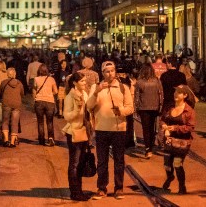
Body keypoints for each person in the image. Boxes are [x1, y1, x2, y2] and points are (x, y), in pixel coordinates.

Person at [86, 60, 134, 200]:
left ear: (115, 72)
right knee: (102, 161)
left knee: (119, 160)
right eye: (107, 71)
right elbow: (89, 106)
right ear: (102, 73)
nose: (110, 73)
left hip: (119, 129)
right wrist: (96, 92)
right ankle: (102, 188)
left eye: (112, 70)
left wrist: (122, 111)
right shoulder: (96, 87)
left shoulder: (123, 87)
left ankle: (119, 188)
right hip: (101, 129)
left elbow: (130, 107)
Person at [160, 86, 196, 194]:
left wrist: (175, 128)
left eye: (179, 93)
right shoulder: (169, 107)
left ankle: (182, 186)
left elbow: (190, 127)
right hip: (169, 140)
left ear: (185, 95)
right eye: (175, 91)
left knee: (177, 164)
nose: (176, 94)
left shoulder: (189, 110)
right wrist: (164, 126)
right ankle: (170, 177)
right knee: (167, 165)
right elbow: (162, 120)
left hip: (182, 142)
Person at [62, 72, 90, 202]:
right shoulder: (70, 96)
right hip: (74, 132)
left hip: (84, 131)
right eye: (82, 81)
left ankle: (79, 190)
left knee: (80, 163)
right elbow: (67, 116)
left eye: (85, 81)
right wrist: (77, 111)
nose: (85, 83)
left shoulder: (84, 94)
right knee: (74, 163)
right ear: (75, 83)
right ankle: (74, 192)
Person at [134, 63, 163, 159]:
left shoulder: (139, 82)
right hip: (154, 107)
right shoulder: (157, 81)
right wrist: (160, 105)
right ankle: (151, 143)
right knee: (152, 127)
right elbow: (161, 94)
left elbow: (137, 97)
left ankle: (148, 149)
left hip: (143, 107)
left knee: (145, 129)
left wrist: (136, 108)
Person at [0, 66, 24, 148]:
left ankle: (6, 140)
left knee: (5, 121)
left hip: (6, 104)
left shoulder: (4, 82)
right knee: (15, 123)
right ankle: (12, 142)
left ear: (7, 74)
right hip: (16, 104)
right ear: (15, 74)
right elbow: (22, 93)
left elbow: (0, 92)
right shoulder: (19, 83)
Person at [33, 64, 58, 146]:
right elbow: (56, 91)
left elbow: (34, 91)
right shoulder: (51, 79)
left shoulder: (36, 79)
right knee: (50, 122)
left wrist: (35, 98)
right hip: (50, 102)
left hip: (39, 101)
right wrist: (50, 93)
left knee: (40, 122)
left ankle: (41, 140)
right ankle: (50, 139)